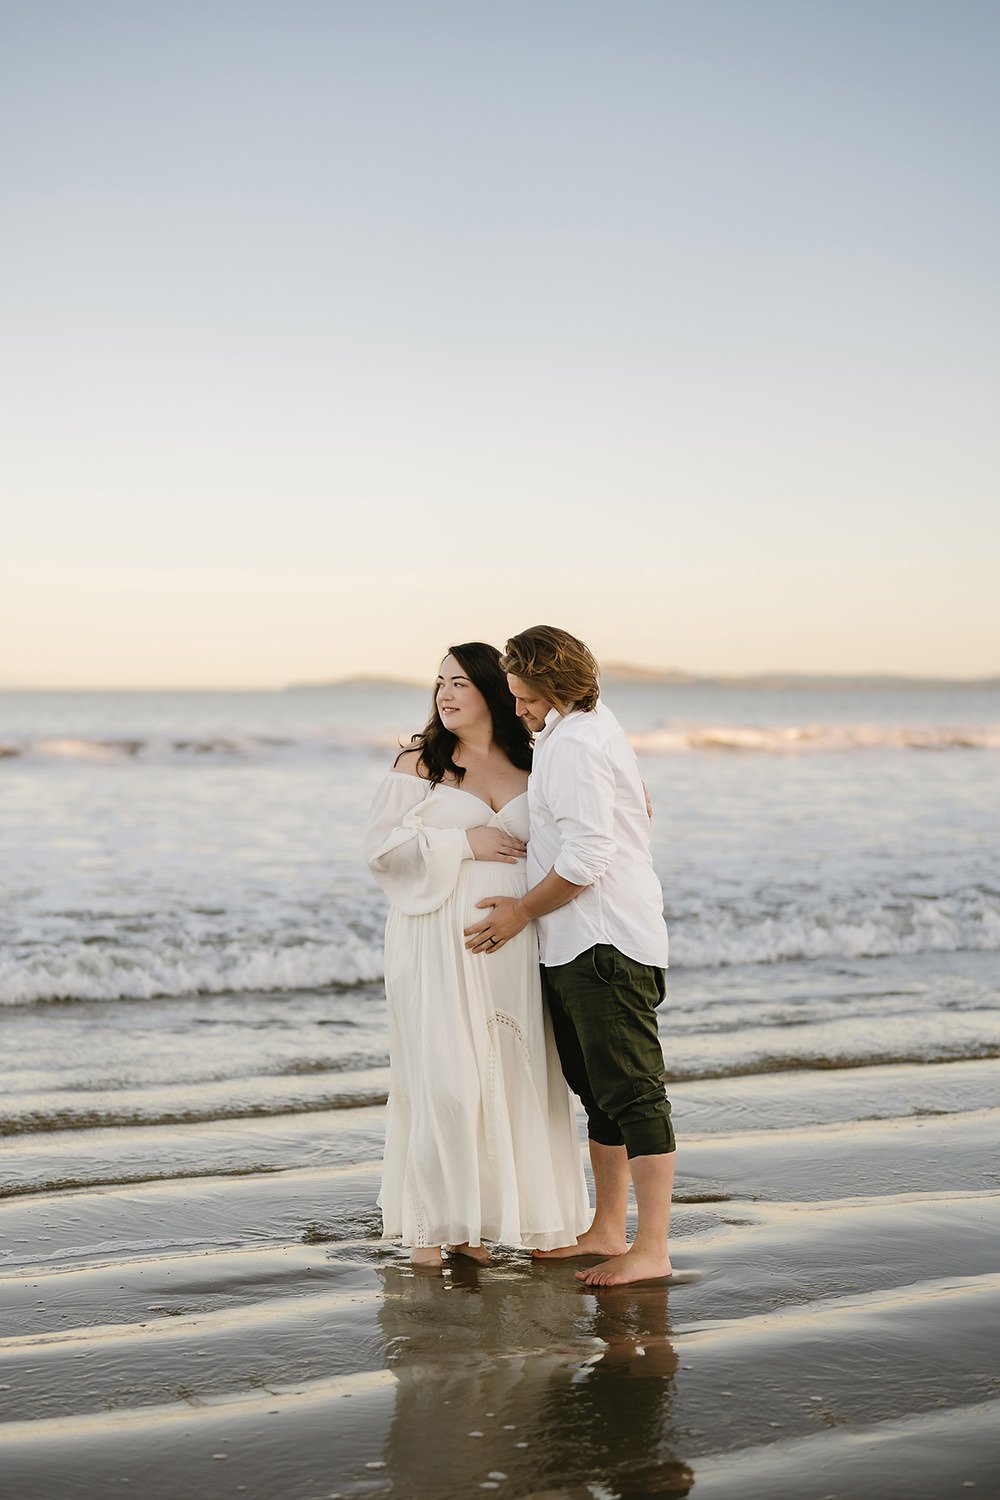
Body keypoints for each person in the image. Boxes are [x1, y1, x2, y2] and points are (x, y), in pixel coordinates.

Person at [364, 642, 590, 1268]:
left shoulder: (536, 762)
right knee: (448, 1083)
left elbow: (579, 833)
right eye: (439, 682)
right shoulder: (422, 762)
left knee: (508, 1073)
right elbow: (381, 852)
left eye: (460, 681)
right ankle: (432, 1230)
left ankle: (479, 1225)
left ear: (493, 689)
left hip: (512, 948)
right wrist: (463, 842)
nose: (445, 692)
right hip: (435, 940)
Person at [464, 625, 675, 1288]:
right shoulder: (575, 732)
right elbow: (630, 811)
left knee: (634, 1094)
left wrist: (519, 912)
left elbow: (587, 858)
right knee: (598, 1092)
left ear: (552, 687)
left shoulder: (577, 744)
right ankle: (608, 1230)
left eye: (524, 696)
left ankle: (652, 1247)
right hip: (576, 942)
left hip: (603, 943)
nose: (518, 708)